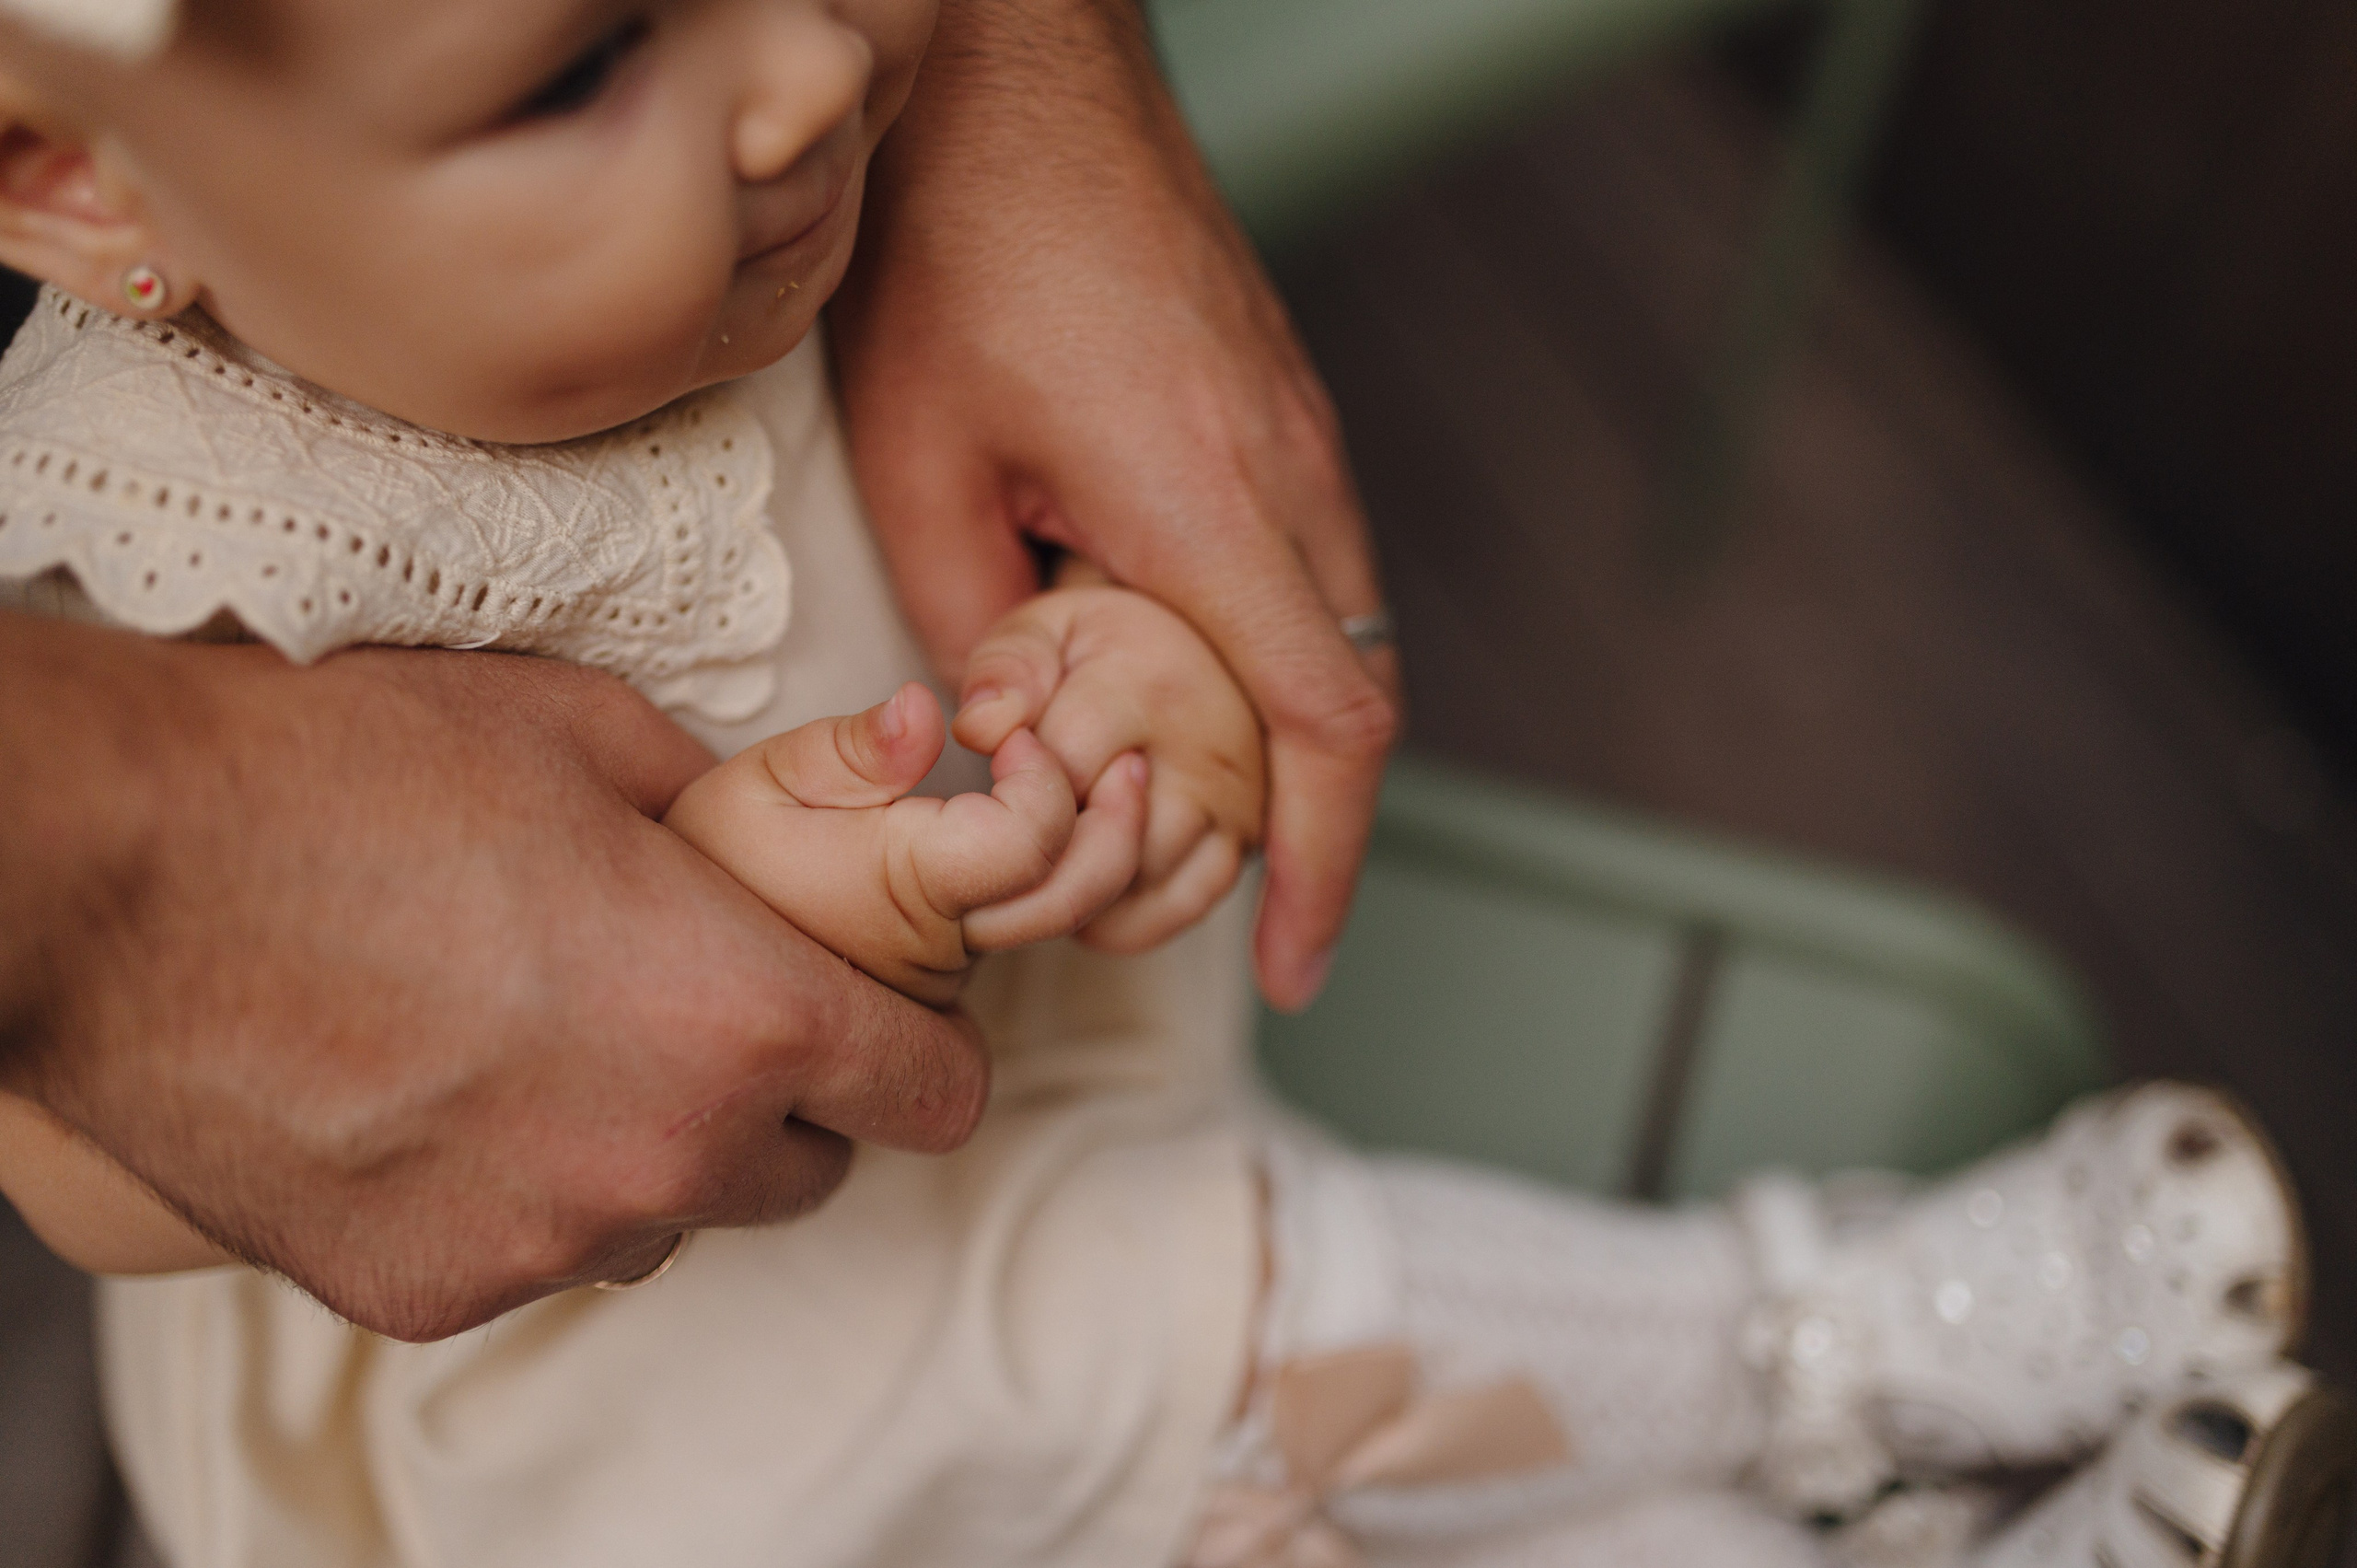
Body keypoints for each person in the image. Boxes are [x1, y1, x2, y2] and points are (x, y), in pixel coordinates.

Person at [0, 4, 2342, 1567]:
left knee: (1335, 1486)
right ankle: (1798, 1338)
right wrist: (741, 877)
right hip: (640, 1403)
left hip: (994, 1150)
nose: (811, 62)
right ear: (87, 192)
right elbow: (91, 1153)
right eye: (585, 57)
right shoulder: (190, 538)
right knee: (1257, 1310)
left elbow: (977, 586)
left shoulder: (727, 202)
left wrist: (1115, 684)